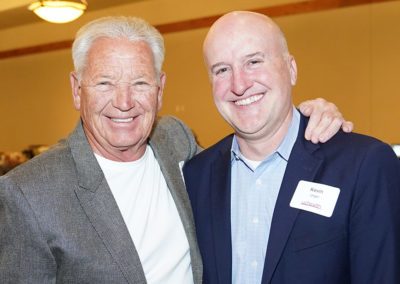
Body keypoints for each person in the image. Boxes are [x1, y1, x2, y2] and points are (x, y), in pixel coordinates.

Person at [0, 16, 350, 283]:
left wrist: (308, 116)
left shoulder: (176, 141)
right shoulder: (27, 194)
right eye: (105, 83)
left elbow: (253, 156)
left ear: (160, 89)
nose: (124, 102)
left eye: (139, 83)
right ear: (78, 89)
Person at [183, 11, 400, 284]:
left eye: (253, 61)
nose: (239, 85)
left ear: (291, 69)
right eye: (222, 70)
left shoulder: (363, 165)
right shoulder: (194, 177)